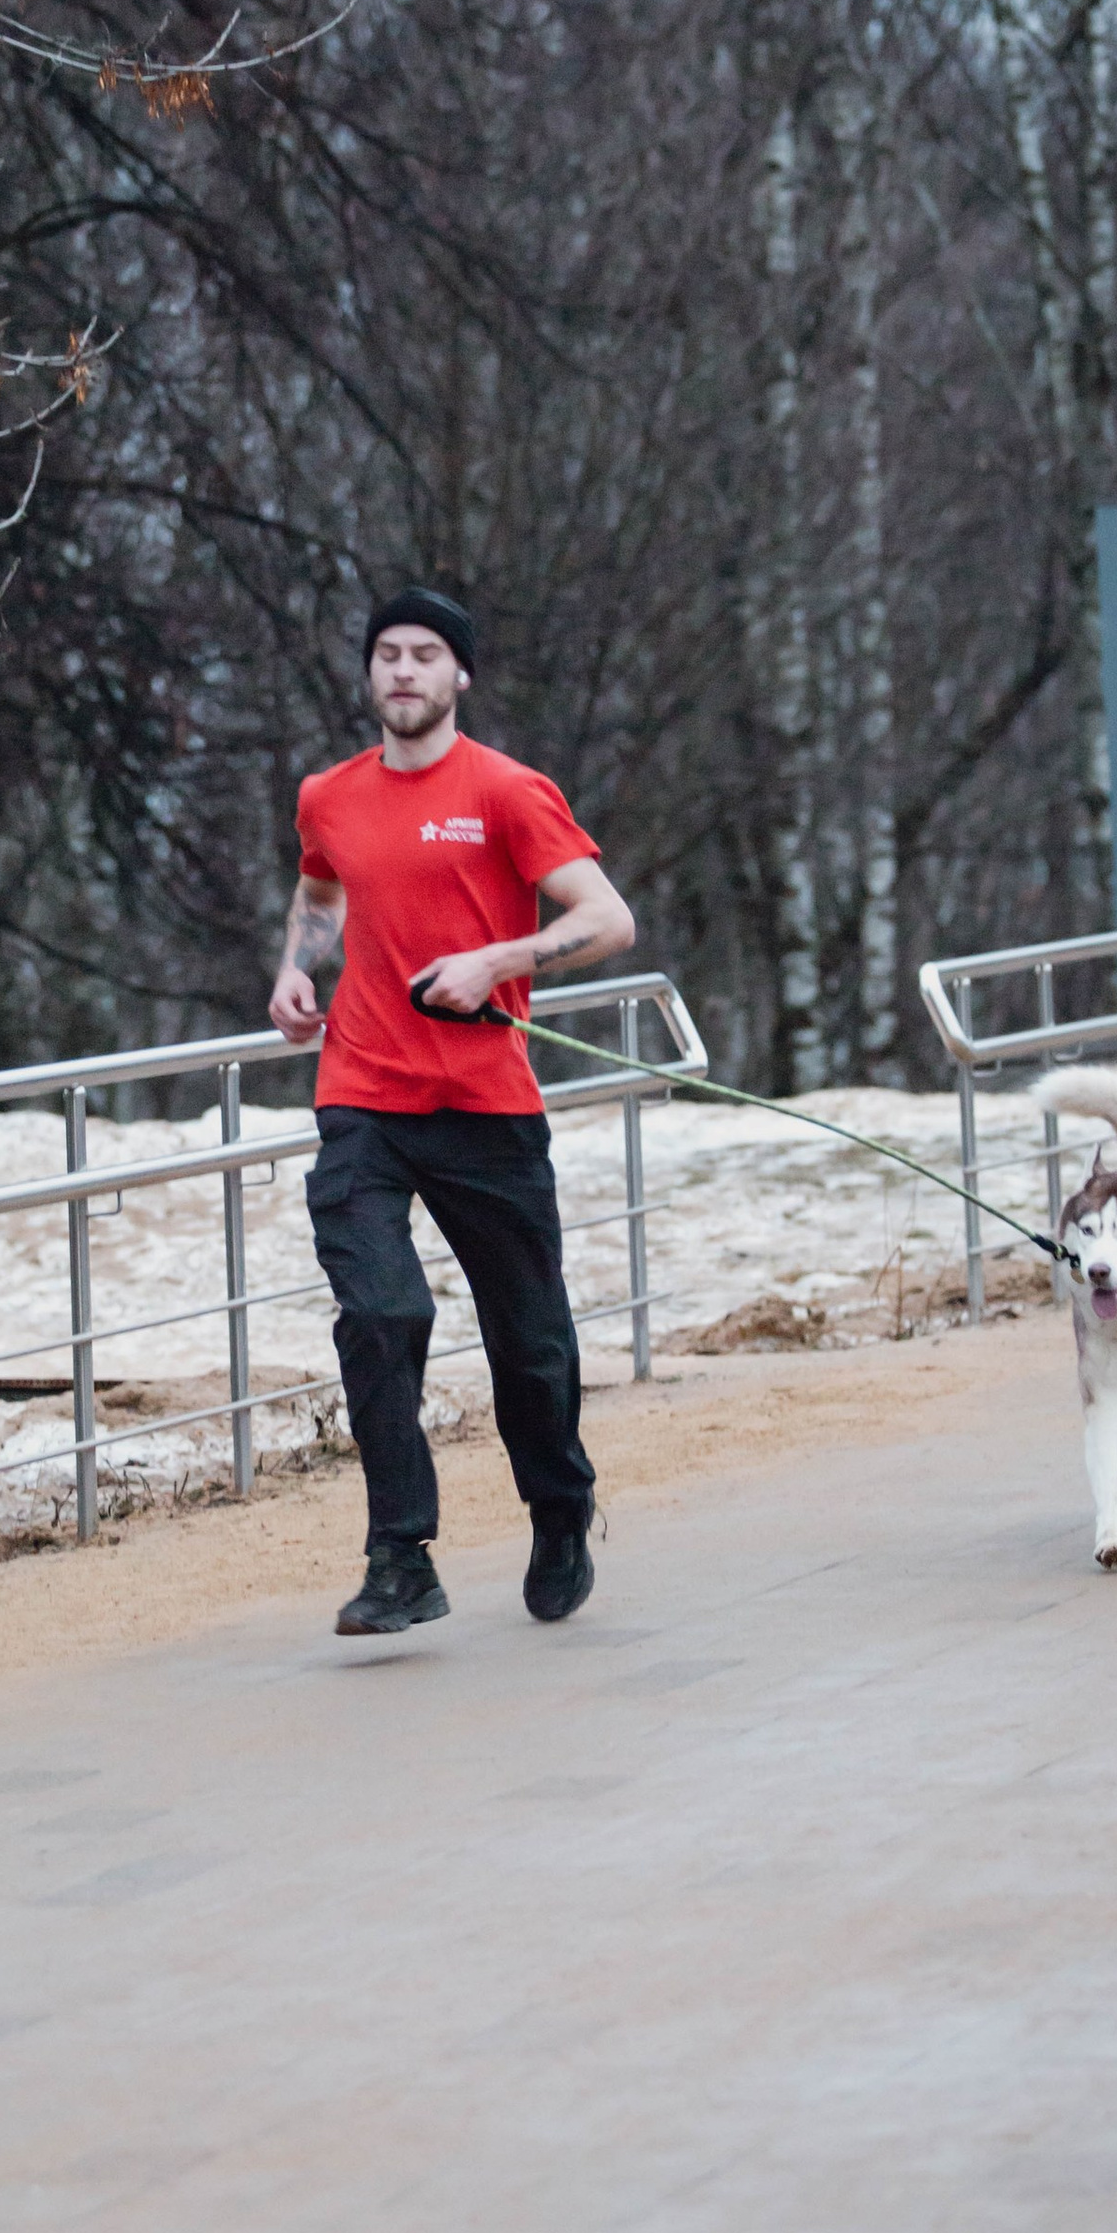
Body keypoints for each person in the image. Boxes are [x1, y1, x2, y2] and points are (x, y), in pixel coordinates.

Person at [269, 587, 636, 1637]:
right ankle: (400, 1558)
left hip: (484, 1103)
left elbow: (608, 918)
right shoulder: (328, 795)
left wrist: (496, 961)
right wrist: (297, 969)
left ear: (459, 674)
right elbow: (323, 891)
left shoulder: (507, 792)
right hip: (363, 1097)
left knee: (530, 1342)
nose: (403, 670)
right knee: (381, 1315)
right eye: (387, 653)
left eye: (425, 654)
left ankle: (559, 1510)